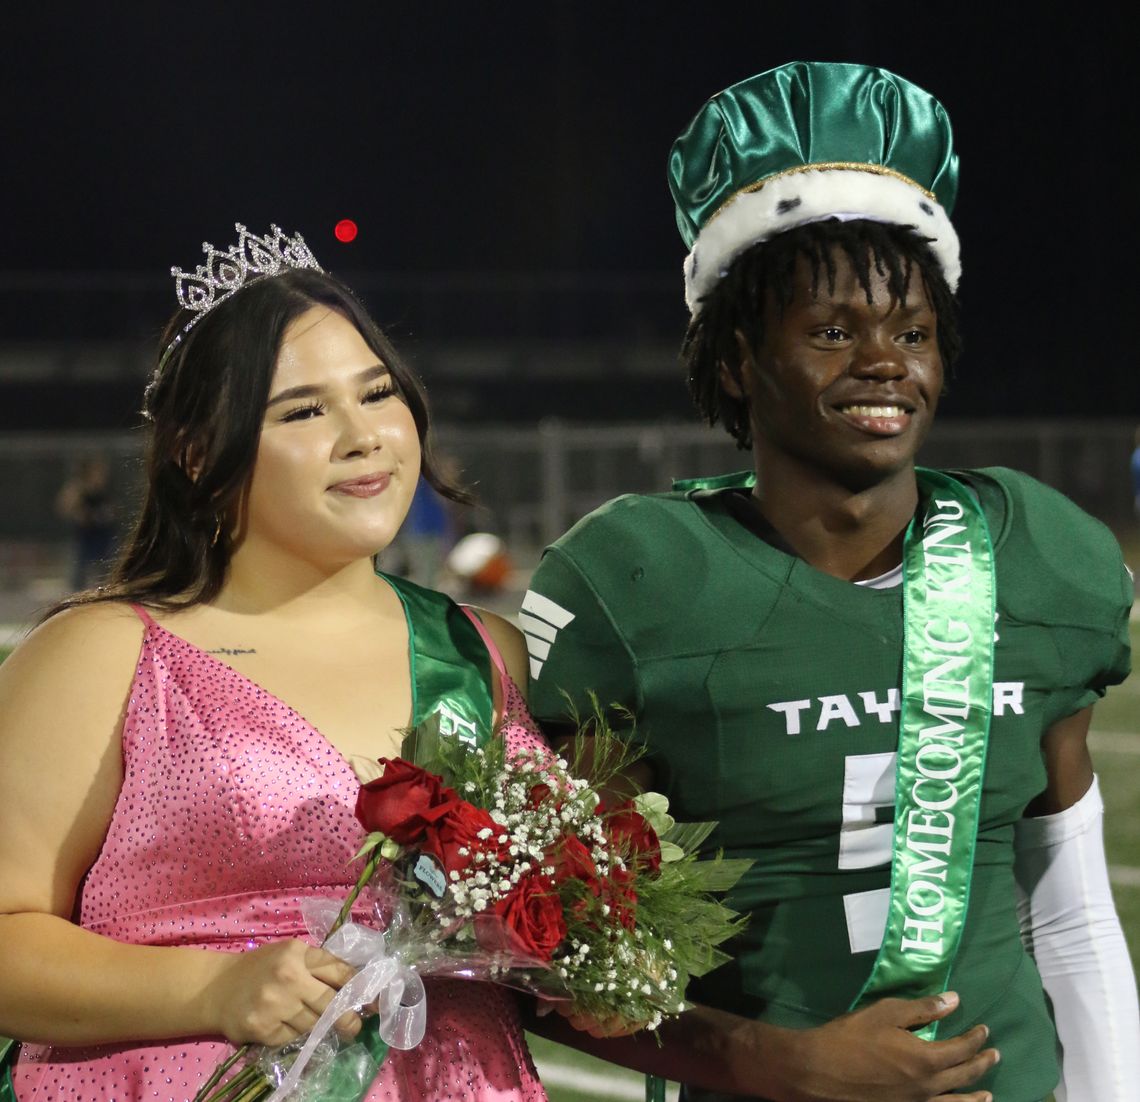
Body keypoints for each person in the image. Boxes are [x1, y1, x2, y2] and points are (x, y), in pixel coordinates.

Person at [523, 62, 1138, 1101]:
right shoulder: (639, 581)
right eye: (833, 333)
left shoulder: (1032, 551)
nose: (886, 363)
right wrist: (778, 1060)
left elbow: (1069, 907)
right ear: (734, 361)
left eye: (912, 332)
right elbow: (537, 947)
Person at [0, 225, 547, 1101]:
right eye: (302, 411)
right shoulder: (104, 654)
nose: (363, 435)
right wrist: (211, 989)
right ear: (197, 454)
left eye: (377, 393)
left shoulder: (484, 650)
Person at [55, 453, 117, 590]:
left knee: (106, 571)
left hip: (103, 537)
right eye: (98, 472)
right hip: (85, 538)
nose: (101, 476)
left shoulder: (105, 490)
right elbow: (65, 508)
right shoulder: (79, 489)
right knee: (80, 572)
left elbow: (113, 511)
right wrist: (81, 514)